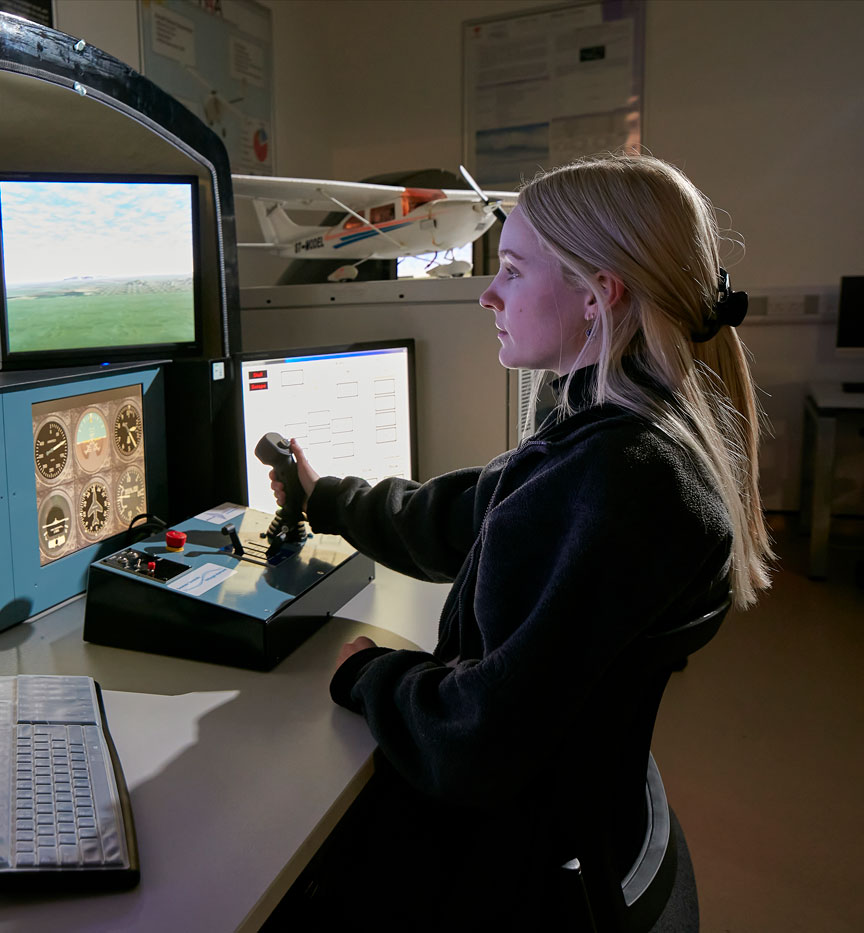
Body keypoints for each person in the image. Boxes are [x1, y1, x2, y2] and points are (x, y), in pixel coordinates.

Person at [269, 154, 772, 928]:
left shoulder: (617, 479)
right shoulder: (616, 432)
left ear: (599, 295)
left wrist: (371, 674)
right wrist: (325, 497)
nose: (486, 293)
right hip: (568, 826)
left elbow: (479, 739)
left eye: (509, 269)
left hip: (494, 860)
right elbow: (464, 513)